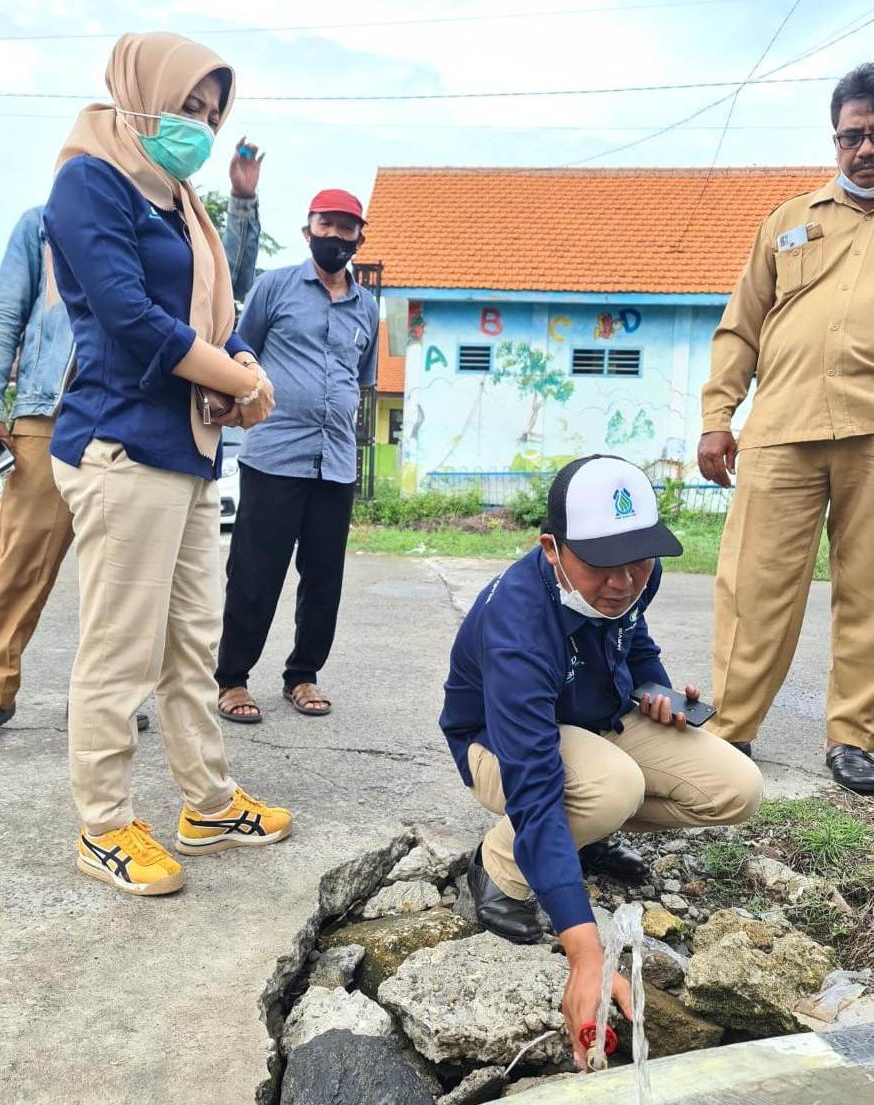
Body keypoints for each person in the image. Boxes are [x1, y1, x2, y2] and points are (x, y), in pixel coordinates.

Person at [44, 30, 291, 895]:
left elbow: (205, 312)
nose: (200, 126)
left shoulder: (179, 200)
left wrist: (237, 378)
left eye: (212, 114)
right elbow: (126, 316)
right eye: (189, 105)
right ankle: (105, 825)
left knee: (191, 641)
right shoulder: (89, 181)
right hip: (120, 445)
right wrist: (236, 375)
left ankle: (207, 802)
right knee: (119, 649)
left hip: (187, 447)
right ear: (142, 88)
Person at [439, 456, 762, 1068]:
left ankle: (584, 833)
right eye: (601, 565)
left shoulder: (641, 576)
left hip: (597, 723)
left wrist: (655, 687)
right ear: (552, 549)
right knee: (611, 787)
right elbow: (533, 785)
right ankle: (501, 866)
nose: (623, 582)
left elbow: (635, 640)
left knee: (737, 787)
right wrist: (586, 952)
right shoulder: (517, 626)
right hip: (496, 747)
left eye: (638, 561)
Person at [0, 149, 264, 756]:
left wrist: (242, 203)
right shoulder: (43, 222)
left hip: (130, 420)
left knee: (121, 581)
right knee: (22, 565)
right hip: (49, 414)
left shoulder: (164, 223)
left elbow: (226, 287)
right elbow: (5, 317)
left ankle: (97, 700)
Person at [697, 63, 874, 794]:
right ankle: (730, 726)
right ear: (834, 139)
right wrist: (717, 415)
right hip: (780, 428)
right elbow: (739, 328)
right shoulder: (787, 220)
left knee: (868, 589)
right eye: (851, 135)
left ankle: (854, 736)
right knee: (753, 583)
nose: (863, 148)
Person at [214, 189, 379, 723]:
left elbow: (363, 378)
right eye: (325, 225)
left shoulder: (368, 308)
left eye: (346, 228)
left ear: (360, 236)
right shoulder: (275, 287)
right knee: (255, 573)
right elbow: (241, 349)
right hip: (273, 456)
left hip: (334, 463)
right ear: (308, 230)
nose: (335, 236)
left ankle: (303, 675)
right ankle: (233, 680)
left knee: (324, 576)